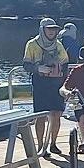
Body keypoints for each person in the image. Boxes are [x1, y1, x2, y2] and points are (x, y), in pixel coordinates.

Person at [22, 17, 72, 155]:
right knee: (40, 115)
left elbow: (66, 62)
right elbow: (26, 65)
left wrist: (61, 74)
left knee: (56, 114)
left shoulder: (58, 45)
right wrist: (39, 69)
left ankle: (53, 144)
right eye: (49, 29)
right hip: (40, 83)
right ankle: (40, 146)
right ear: (42, 29)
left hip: (56, 83)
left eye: (54, 29)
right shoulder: (32, 44)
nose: (52, 31)